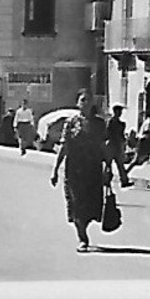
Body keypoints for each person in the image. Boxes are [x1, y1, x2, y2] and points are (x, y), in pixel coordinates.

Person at [50, 90, 110, 252]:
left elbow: (103, 146)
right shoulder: (71, 123)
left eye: (88, 100)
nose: (86, 103)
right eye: (83, 100)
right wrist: (55, 169)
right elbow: (64, 147)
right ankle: (82, 238)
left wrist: (109, 167)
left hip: (93, 169)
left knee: (91, 206)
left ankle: (84, 227)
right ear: (78, 103)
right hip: (74, 170)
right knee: (76, 205)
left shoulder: (99, 124)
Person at [106, 104, 134, 187]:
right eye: (119, 111)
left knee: (120, 164)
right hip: (111, 145)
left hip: (117, 145)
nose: (120, 113)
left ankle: (124, 180)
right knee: (109, 164)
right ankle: (106, 180)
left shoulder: (121, 123)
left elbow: (121, 135)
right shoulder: (110, 122)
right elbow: (107, 133)